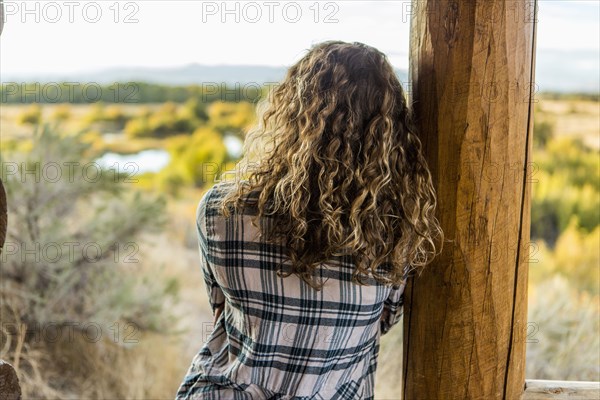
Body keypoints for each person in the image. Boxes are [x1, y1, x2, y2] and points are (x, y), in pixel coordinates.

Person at [175, 40, 443, 400]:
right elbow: (384, 320)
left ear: (291, 113)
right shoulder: (398, 230)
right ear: (392, 133)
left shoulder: (220, 209)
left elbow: (222, 307)